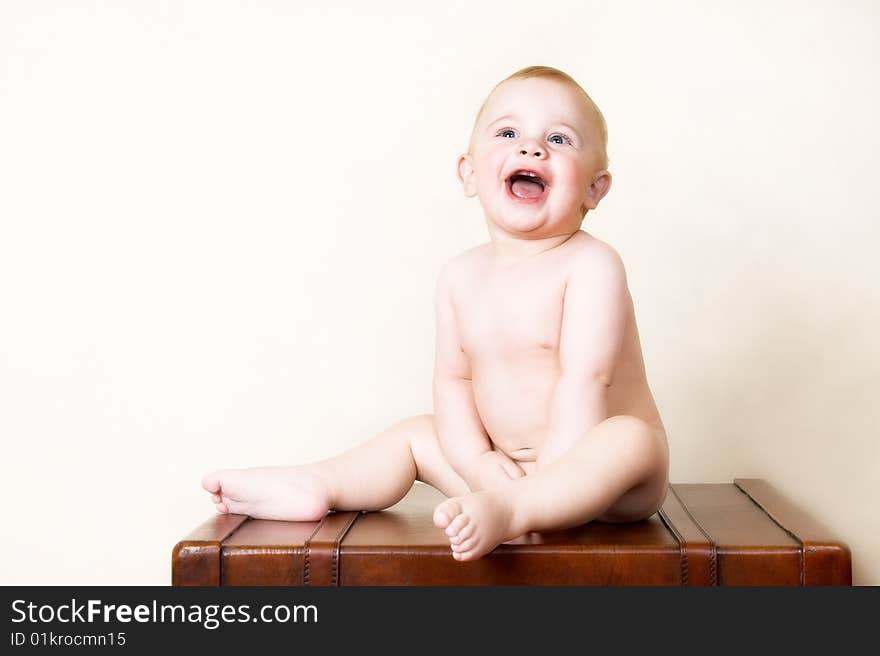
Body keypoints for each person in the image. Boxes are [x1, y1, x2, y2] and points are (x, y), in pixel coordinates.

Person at [202, 65, 670, 561]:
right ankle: (319, 483)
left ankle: (519, 512)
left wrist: (539, 488)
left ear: (594, 190)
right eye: (508, 133)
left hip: (600, 477)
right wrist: (481, 464)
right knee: (417, 434)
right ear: (468, 172)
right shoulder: (458, 278)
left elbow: (586, 381)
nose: (532, 148)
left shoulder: (591, 264)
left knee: (629, 438)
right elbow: (455, 385)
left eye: (559, 138)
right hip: (504, 472)